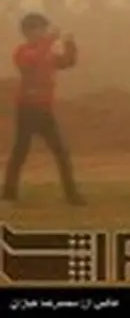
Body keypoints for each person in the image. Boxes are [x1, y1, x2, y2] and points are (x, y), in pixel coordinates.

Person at [2, 13, 85, 206]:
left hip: (44, 109)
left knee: (61, 152)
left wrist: (70, 45)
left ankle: (71, 194)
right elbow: (34, 61)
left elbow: (67, 63)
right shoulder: (22, 52)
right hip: (27, 109)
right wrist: (51, 39)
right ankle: (8, 193)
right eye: (39, 29)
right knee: (20, 153)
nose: (43, 33)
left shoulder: (45, 51)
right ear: (28, 32)